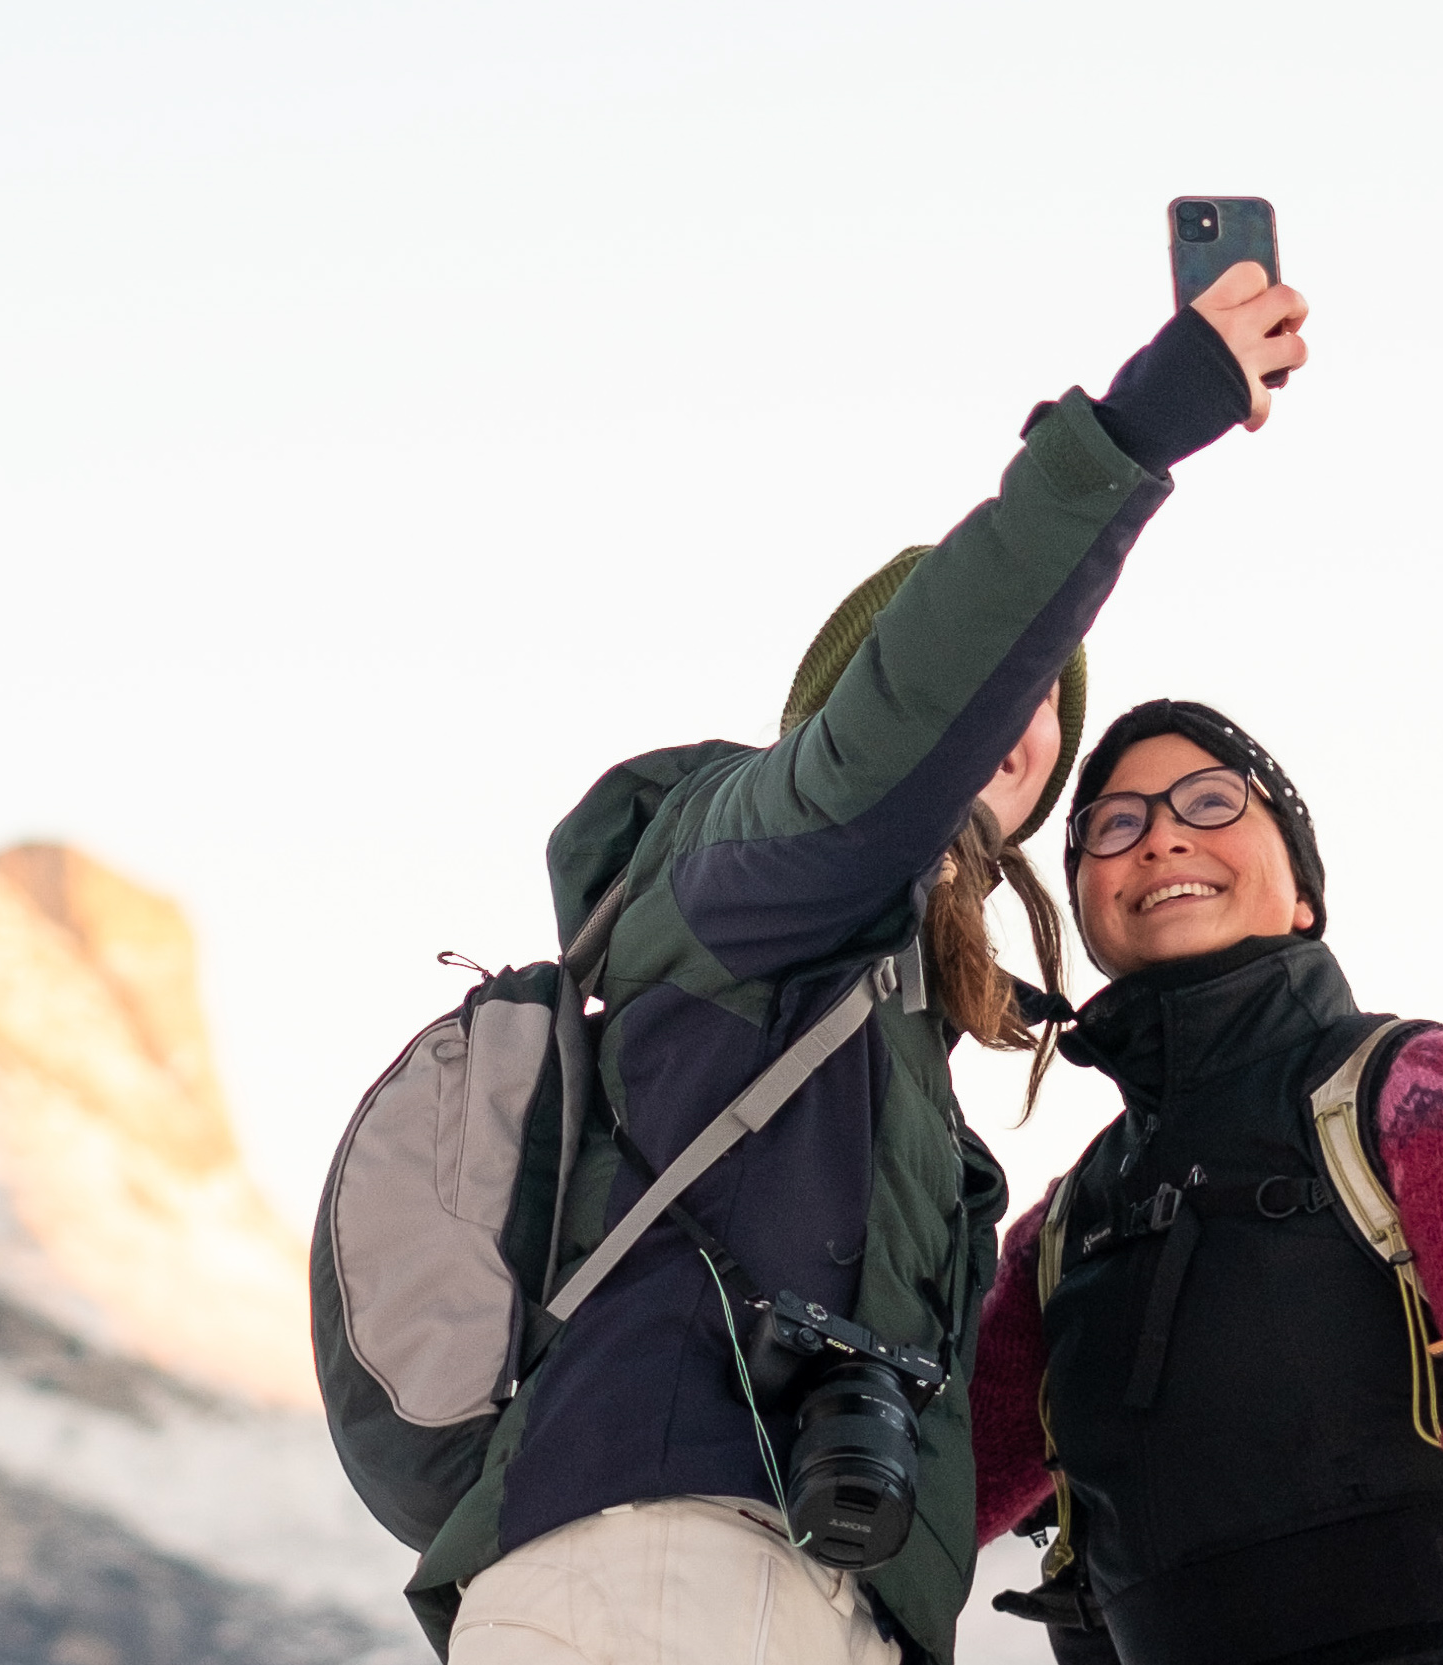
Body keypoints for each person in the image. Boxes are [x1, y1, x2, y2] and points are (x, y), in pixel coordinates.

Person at [423, 272, 1312, 1665]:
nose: (1017, 720)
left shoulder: (864, 993)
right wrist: (1128, 439)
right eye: (995, 686)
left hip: (773, 1588)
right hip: (669, 1566)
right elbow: (923, 696)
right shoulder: (754, 861)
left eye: (1044, 707)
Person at [972, 700, 1443, 1665]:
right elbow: (947, 1486)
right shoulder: (1060, 1231)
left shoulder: (1422, 1085)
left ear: (1303, 895)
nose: (1160, 837)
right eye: (1114, 824)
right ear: (1088, 911)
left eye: (1208, 800)